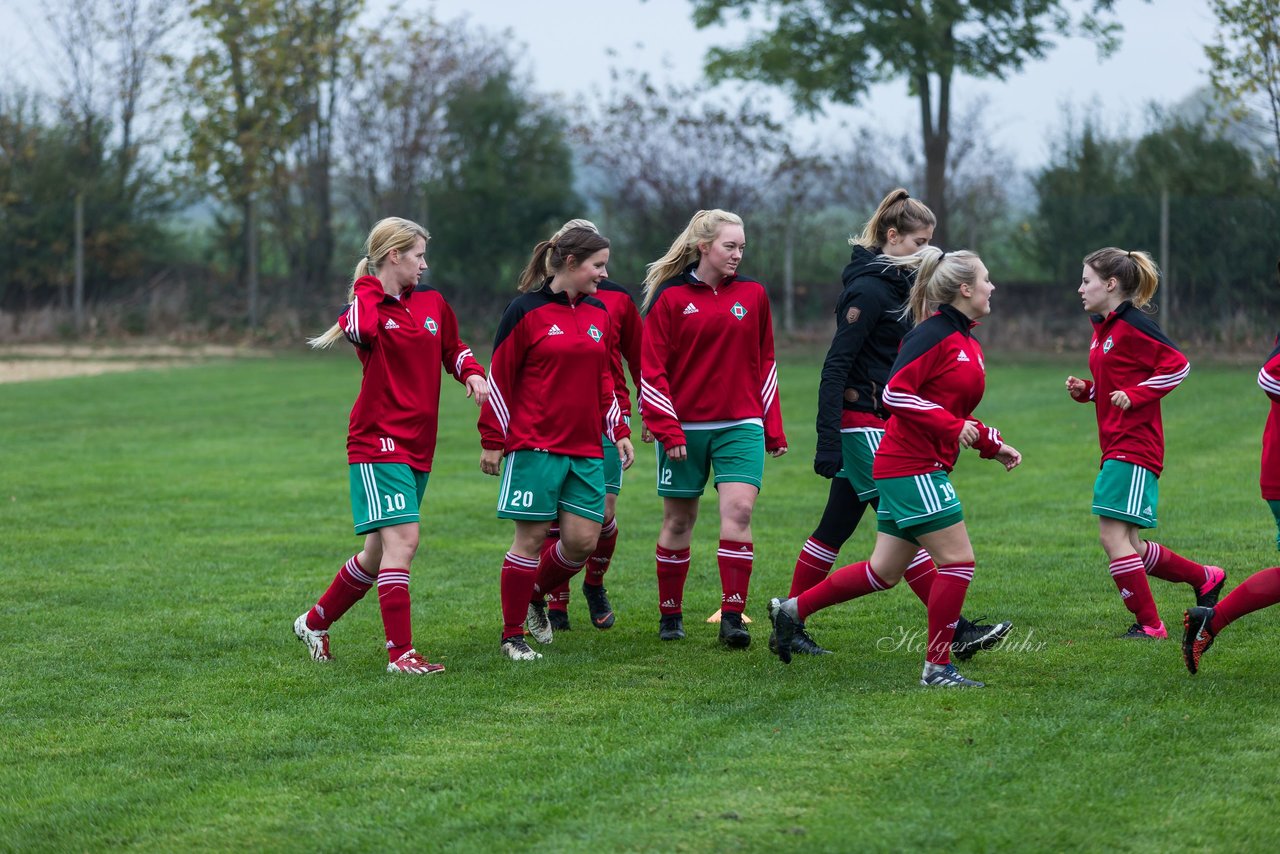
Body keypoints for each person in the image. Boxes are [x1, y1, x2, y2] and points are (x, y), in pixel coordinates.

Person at [767, 247, 1021, 688]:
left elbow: (948, 407)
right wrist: (953, 424)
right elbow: (895, 396)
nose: (991, 285)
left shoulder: (967, 342)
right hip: (911, 464)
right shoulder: (932, 334)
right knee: (958, 562)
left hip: (917, 463)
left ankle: (790, 612)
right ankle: (938, 668)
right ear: (964, 289)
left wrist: (989, 443)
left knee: (882, 572)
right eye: (985, 278)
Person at [294, 217, 488, 674]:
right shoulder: (365, 306)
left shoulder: (433, 303)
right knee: (404, 540)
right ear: (393, 256)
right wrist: (368, 287)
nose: (424, 264)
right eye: (418, 255)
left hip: (420, 443)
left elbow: (453, 349)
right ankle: (400, 655)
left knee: (377, 554)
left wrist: (473, 372)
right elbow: (360, 331)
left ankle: (314, 623)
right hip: (376, 440)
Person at [478, 226, 635, 661]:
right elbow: (501, 377)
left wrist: (618, 428)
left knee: (584, 540)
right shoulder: (524, 311)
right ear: (570, 263)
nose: (604, 274)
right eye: (598, 265)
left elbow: (605, 379)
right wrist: (493, 439)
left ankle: (532, 595)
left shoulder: (600, 313)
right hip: (535, 447)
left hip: (586, 447)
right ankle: (513, 636)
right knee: (529, 540)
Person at [639, 209, 787, 648]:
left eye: (742, 247)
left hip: (741, 425)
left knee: (739, 512)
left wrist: (772, 427)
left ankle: (733, 616)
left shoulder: (754, 295)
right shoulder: (669, 298)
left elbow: (766, 363)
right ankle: (670, 615)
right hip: (683, 429)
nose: (738, 255)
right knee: (679, 520)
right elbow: (653, 371)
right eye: (730, 246)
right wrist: (668, 429)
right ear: (704, 247)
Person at [1066, 248, 1225, 640]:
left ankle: (1151, 625)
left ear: (1111, 284)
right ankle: (1205, 577)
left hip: (1135, 446)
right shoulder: (1103, 327)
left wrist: (1136, 395)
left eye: (1086, 280)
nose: (1080, 288)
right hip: (1117, 445)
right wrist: (1089, 391)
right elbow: (1116, 381)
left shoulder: (1133, 324)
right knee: (1130, 545)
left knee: (1112, 536)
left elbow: (1178, 365)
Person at [538, 220, 643, 633]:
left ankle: (594, 584)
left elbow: (639, 357)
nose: (601, 271)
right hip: (556, 422)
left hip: (607, 417)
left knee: (601, 516)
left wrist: (647, 414)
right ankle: (554, 601)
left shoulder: (613, 299)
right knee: (554, 519)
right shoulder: (538, 301)